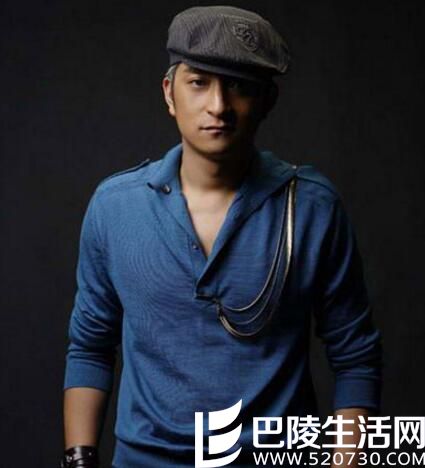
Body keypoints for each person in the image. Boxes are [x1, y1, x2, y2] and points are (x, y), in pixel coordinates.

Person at [61, 6, 382, 468]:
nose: (218, 105)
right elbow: (91, 345)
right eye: (199, 82)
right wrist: (79, 459)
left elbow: (356, 357)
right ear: (169, 92)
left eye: (239, 86)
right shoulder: (115, 207)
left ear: (267, 100)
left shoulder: (312, 207)